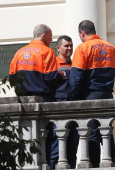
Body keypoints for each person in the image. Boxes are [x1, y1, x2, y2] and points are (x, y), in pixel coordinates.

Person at [69, 20, 115, 167]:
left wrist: (72, 97)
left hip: (90, 95)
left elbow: (77, 76)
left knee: (92, 133)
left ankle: (93, 166)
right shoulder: (110, 47)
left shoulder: (83, 48)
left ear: (82, 33)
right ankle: (110, 163)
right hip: (107, 95)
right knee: (107, 131)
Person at [48, 36, 80, 169]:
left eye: (71, 45)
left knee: (72, 148)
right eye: (66, 46)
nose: (69, 48)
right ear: (58, 48)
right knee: (56, 147)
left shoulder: (76, 64)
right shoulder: (53, 64)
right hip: (58, 110)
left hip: (75, 109)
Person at [9, 24, 62, 102]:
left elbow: (11, 77)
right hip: (42, 98)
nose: (51, 40)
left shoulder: (19, 52)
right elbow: (51, 78)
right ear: (44, 35)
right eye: (50, 36)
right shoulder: (47, 51)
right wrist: (60, 76)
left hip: (21, 99)